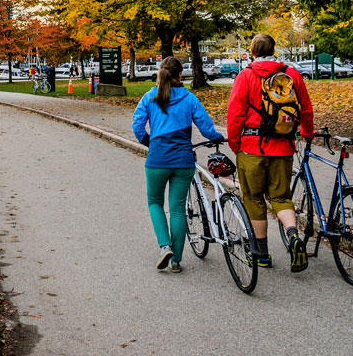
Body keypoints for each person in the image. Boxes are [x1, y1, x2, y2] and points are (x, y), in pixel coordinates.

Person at [226, 33, 314, 271]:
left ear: (252, 52)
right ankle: (293, 235)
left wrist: (235, 144)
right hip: (283, 147)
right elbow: (305, 108)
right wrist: (307, 133)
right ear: (274, 51)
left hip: (251, 147)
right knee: (281, 197)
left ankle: (261, 254)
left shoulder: (246, 76)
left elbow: (235, 114)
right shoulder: (292, 74)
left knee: (254, 198)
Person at [133, 57, 224, 272]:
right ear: (180, 75)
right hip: (183, 161)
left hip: (157, 160)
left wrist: (151, 143)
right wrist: (217, 137)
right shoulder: (189, 98)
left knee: (155, 202)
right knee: (177, 209)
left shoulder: (149, 97)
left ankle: (165, 246)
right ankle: (176, 261)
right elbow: (206, 127)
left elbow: (138, 127)